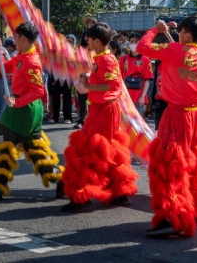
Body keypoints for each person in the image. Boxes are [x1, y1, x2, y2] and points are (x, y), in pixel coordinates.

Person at [139, 16, 197, 237]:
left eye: (180, 31)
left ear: (188, 35)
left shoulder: (173, 50)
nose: (179, 34)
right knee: (193, 163)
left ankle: (174, 217)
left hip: (175, 114)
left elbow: (142, 47)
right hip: (196, 116)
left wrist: (156, 29)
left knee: (169, 165)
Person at [0, 23, 64, 201]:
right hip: (27, 108)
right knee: (36, 150)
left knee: (3, 143)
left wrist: (17, 101)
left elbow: (39, 90)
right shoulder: (22, 57)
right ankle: (62, 179)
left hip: (24, 108)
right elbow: (3, 68)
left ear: (23, 39)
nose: (14, 42)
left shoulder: (31, 60)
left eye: (16, 39)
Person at [60, 22, 139, 212]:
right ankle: (119, 193)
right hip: (101, 108)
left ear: (96, 40)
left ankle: (83, 196)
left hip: (104, 109)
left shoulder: (106, 60)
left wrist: (89, 86)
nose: (86, 41)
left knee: (86, 149)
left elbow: (113, 86)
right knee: (108, 148)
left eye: (87, 38)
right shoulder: (101, 58)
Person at [120, 33, 153, 116]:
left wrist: (142, 97)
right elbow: (119, 78)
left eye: (136, 41)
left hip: (138, 97)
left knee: (137, 125)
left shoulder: (146, 60)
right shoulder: (123, 59)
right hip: (125, 97)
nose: (133, 44)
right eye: (131, 41)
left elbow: (147, 80)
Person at [74, 17, 98, 129]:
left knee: (93, 100)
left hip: (94, 78)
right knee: (82, 100)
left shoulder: (98, 48)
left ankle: (92, 120)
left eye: (93, 22)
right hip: (82, 77)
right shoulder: (79, 49)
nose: (90, 24)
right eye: (89, 22)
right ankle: (81, 120)